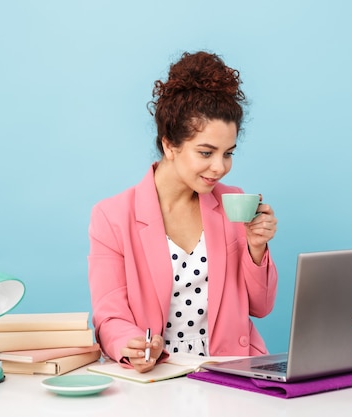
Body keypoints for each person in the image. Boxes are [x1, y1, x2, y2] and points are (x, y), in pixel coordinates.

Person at [87, 51, 278, 373]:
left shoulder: (235, 204)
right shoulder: (112, 216)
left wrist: (256, 248)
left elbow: (260, 307)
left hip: (234, 371)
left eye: (228, 154)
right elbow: (110, 316)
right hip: (159, 374)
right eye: (206, 152)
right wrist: (132, 345)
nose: (220, 167)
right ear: (169, 145)